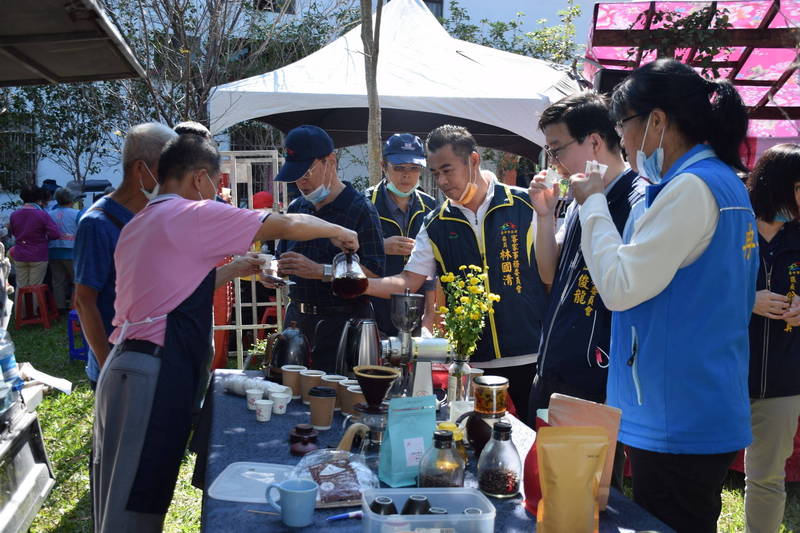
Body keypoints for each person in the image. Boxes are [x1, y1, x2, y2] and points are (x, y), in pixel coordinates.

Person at [92, 133, 358, 532]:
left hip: (125, 367)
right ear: (199, 179)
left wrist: (235, 268)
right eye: (216, 184)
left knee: (118, 493)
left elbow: (171, 291)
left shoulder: (141, 222)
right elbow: (288, 222)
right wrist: (336, 230)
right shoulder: (190, 214)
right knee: (136, 502)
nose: (216, 193)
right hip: (153, 369)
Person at [572, 58, 756, 532]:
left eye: (624, 126)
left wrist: (592, 201)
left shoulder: (691, 189)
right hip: (697, 398)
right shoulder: (718, 184)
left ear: (656, 121)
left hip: (678, 411)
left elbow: (618, 286)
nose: (624, 142)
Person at [366, 125, 548, 421]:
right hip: (472, 362)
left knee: (529, 451)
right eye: (436, 173)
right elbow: (408, 281)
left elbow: (550, 272)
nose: (441, 181)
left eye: (447, 170)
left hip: (534, 355)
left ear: (474, 161)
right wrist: (362, 284)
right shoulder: (436, 222)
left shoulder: (525, 204)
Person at [527, 92, 645, 419]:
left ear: (594, 142)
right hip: (553, 369)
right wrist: (544, 216)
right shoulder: (584, 197)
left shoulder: (637, 201)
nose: (553, 161)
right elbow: (550, 274)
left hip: (597, 382)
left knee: (586, 471)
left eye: (557, 148)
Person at [274, 125, 385, 373]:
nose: (301, 181)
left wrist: (321, 271)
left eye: (306, 173)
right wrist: (273, 271)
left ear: (330, 162)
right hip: (297, 322)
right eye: (295, 175)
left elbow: (376, 273)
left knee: (335, 403)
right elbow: (281, 256)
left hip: (343, 324)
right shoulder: (296, 208)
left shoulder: (360, 209)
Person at [74, 123, 176, 390]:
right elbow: (84, 302)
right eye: (168, 171)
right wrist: (109, 367)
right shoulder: (97, 223)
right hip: (119, 363)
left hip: (155, 357)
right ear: (141, 170)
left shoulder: (154, 215)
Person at [743, 144, 800, 533]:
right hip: (724, 374)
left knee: (767, 477)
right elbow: (693, 290)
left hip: (783, 379)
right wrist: (746, 301)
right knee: (704, 476)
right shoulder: (731, 226)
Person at [365, 133, 437, 336]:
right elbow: (347, 252)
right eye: (398, 168)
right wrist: (381, 246)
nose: (406, 175)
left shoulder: (430, 206)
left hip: (417, 312)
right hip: (372, 310)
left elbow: (432, 268)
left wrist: (430, 316)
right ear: (383, 166)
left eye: (413, 168)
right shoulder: (365, 203)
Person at [8, 186, 61, 310]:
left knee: (21, 286)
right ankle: (33, 313)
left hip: (20, 254)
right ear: (39, 199)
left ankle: (20, 314)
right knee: (35, 286)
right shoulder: (42, 214)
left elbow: (12, 232)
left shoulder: (14, 214)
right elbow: (55, 234)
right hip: (38, 254)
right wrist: (43, 239)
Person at [48, 188, 81, 310]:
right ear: (71, 200)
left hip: (53, 251)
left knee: (58, 281)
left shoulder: (49, 214)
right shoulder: (77, 214)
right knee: (77, 281)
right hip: (72, 252)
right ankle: (76, 307)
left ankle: (59, 307)